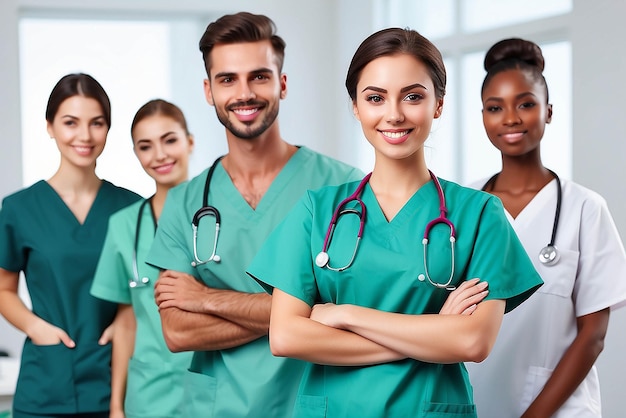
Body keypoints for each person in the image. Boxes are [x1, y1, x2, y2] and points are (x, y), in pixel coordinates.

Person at [246, 27, 544, 418]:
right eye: (375, 98)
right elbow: (286, 336)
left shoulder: (480, 213)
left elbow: (473, 343)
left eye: (413, 96)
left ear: (438, 104)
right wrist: (434, 332)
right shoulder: (316, 211)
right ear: (355, 106)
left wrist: (345, 314)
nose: (394, 114)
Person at [146, 12, 363, 418]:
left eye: (259, 76)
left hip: (315, 404)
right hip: (219, 408)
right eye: (228, 79)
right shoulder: (185, 202)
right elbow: (178, 331)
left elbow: (351, 311)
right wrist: (301, 312)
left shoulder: (344, 189)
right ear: (209, 91)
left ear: (282, 83)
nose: (244, 93)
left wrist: (207, 298)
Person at [464, 38, 626, 418]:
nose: (511, 118)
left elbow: (593, 336)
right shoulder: (464, 206)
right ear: (483, 116)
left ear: (548, 111)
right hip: (472, 401)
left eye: (526, 104)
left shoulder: (585, 208)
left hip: (560, 409)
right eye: (495, 107)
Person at [0, 73, 141, 418]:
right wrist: (35, 327)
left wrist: (127, 321)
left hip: (117, 384)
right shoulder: (19, 209)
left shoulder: (132, 208)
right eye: (70, 122)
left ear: (108, 129)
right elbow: (4, 289)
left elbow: (145, 290)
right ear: (49, 126)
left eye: (97, 123)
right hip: (45, 386)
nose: (84, 135)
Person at [90, 99, 194, 418]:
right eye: (145, 146)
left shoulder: (223, 215)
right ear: (136, 155)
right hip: (149, 395)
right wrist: (116, 406)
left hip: (213, 385)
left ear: (190, 142)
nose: (159, 155)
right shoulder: (123, 225)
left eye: (170, 140)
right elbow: (127, 320)